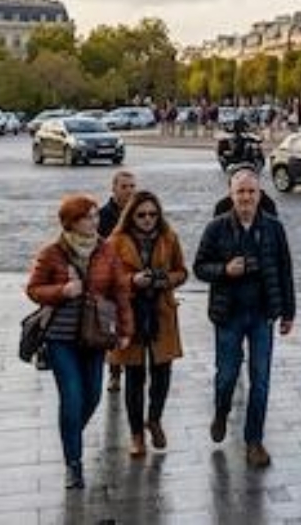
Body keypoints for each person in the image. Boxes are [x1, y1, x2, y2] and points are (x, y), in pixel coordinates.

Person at [27, 194, 134, 490]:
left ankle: (70, 433)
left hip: (95, 335)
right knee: (72, 399)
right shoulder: (52, 252)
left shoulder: (107, 251)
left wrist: (126, 330)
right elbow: (33, 290)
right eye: (88, 217)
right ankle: (73, 463)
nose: (94, 222)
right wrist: (62, 290)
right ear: (71, 222)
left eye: (96, 216)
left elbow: (121, 292)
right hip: (60, 338)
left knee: (94, 397)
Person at [194, 168, 296, 468]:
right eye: (241, 192)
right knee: (226, 376)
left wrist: (288, 312)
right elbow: (199, 267)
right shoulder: (216, 228)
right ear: (231, 195)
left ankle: (254, 440)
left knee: (260, 380)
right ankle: (221, 411)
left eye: (251, 191)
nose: (246, 197)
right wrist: (225, 270)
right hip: (229, 314)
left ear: (260, 194)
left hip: (262, 314)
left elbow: (285, 270)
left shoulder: (274, 228)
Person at [108, 190, 187, 458]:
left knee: (162, 372)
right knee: (134, 376)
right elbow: (107, 278)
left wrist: (165, 280)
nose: (147, 219)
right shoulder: (116, 241)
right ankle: (136, 435)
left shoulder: (169, 237)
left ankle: (154, 419)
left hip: (161, 312)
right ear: (131, 215)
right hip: (130, 314)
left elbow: (182, 271)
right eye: (141, 214)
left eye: (153, 214)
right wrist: (133, 281)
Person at [97, 170, 137, 391]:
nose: (129, 191)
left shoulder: (140, 213)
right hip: (112, 281)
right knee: (115, 328)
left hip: (135, 279)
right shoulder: (103, 215)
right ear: (114, 189)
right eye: (124, 187)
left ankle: (132, 368)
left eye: (132, 186)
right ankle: (114, 373)